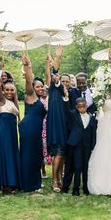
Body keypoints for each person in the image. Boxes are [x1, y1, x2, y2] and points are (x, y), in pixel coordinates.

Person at [0, 59, 21, 193]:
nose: (9, 91)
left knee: (12, 153)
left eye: (12, 90)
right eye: (7, 89)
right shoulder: (1, 99)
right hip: (2, 129)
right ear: (3, 90)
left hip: (12, 130)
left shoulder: (13, 102)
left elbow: (18, 114)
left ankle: (13, 181)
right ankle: (6, 184)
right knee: (5, 154)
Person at [19, 55, 47, 192]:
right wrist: (28, 66)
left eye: (42, 86)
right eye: (38, 86)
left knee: (37, 155)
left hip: (36, 131)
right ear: (33, 88)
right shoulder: (30, 95)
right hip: (28, 128)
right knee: (29, 155)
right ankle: (28, 184)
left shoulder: (42, 98)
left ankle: (35, 182)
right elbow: (29, 80)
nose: (41, 88)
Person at [46, 46, 68, 192]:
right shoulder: (54, 90)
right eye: (62, 80)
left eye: (67, 81)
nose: (64, 82)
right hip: (55, 125)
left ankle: (60, 177)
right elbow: (54, 73)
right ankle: (54, 180)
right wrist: (57, 58)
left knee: (62, 153)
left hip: (65, 126)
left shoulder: (69, 94)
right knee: (57, 152)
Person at [64, 97, 97, 195]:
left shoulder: (91, 117)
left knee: (86, 166)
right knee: (77, 166)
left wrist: (93, 146)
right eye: (80, 107)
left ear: (87, 106)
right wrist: (66, 98)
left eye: (84, 106)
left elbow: (93, 133)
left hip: (87, 145)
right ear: (76, 107)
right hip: (76, 145)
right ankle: (76, 189)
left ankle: (86, 188)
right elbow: (66, 110)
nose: (82, 109)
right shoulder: (74, 115)